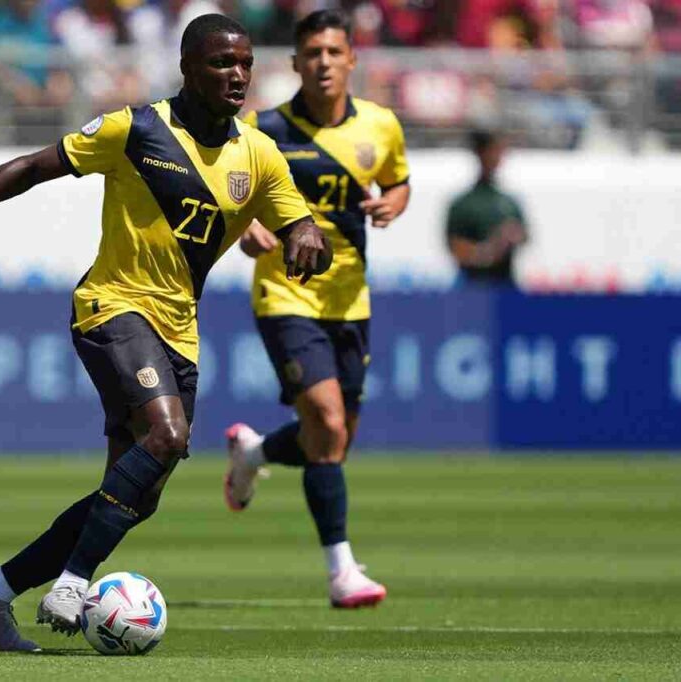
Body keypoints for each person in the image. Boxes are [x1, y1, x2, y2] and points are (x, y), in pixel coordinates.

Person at [0, 13, 330, 652]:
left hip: (179, 331)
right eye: (221, 63)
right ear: (187, 67)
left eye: (245, 64)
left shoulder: (256, 154)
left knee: (135, 495)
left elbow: (296, 221)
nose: (236, 75)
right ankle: (73, 582)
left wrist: (305, 234)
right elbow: (34, 167)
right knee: (168, 436)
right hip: (111, 307)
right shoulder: (136, 128)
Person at [222, 9, 410, 610]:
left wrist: (393, 205)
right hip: (286, 295)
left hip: (350, 298)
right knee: (326, 426)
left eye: (334, 52)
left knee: (332, 440)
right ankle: (342, 572)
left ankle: (254, 452)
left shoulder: (380, 126)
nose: (324, 63)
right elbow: (227, 193)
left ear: (351, 59)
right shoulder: (264, 128)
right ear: (296, 63)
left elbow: (398, 180)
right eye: (313, 54)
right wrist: (247, 225)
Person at [445, 129, 528, 286]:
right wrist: (489, 251)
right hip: (473, 287)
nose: (497, 157)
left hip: (505, 286)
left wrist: (513, 236)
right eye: (493, 151)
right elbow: (456, 247)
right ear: (481, 154)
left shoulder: (509, 202)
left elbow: (524, 235)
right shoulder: (463, 204)